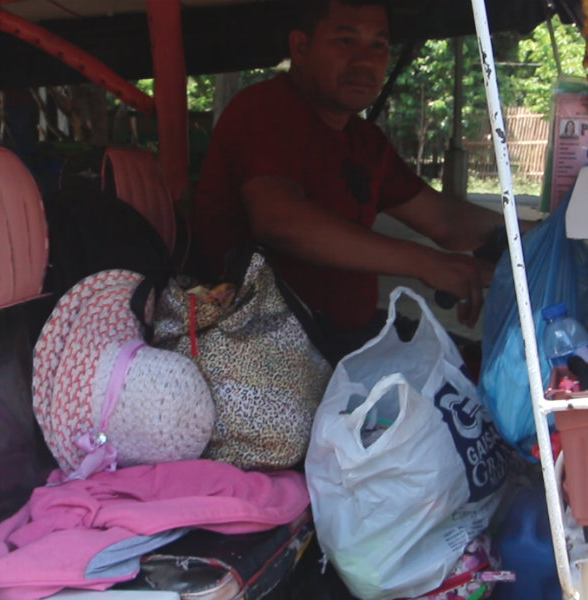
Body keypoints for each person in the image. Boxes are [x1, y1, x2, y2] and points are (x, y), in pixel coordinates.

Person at [192, 0, 517, 360]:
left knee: (487, 365)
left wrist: (529, 233)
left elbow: (444, 220)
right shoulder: (264, 110)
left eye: (378, 44)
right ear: (300, 47)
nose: (366, 61)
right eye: (346, 41)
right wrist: (425, 262)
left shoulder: (363, 140)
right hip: (267, 352)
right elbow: (279, 221)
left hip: (352, 336)